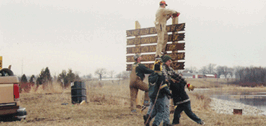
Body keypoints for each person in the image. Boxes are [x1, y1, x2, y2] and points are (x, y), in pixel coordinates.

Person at [161, 55, 205, 125]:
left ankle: (200, 121)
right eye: (169, 61)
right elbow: (166, 78)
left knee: (189, 113)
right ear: (166, 61)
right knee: (176, 113)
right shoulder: (163, 68)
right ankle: (175, 123)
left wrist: (187, 84)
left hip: (183, 101)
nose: (170, 62)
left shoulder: (170, 71)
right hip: (179, 100)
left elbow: (177, 77)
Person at [143, 59, 172, 126]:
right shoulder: (160, 76)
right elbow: (163, 87)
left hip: (152, 95)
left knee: (155, 110)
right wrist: (169, 93)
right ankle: (155, 124)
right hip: (159, 96)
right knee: (161, 111)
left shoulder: (151, 76)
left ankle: (148, 118)